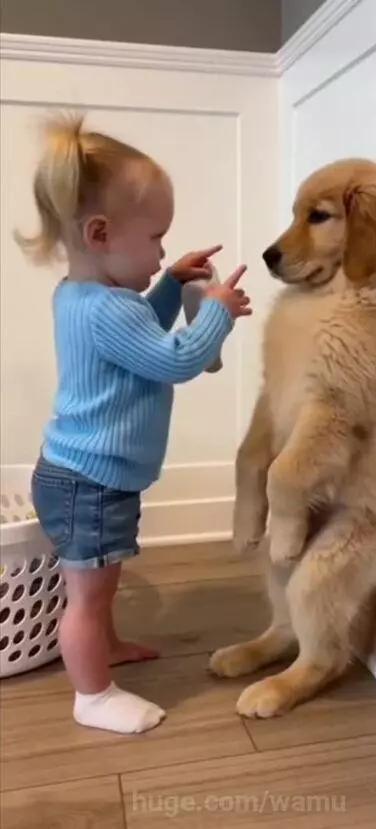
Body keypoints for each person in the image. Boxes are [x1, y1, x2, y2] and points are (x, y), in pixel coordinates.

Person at [17, 113, 251, 735]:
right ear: (100, 233)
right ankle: (92, 696)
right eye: (156, 240)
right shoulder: (107, 312)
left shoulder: (85, 296)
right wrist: (217, 315)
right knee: (88, 596)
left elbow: (139, 329)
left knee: (101, 585)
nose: (162, 253)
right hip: (88, 482)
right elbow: (173, 359)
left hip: (81, 475)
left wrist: (172, 288)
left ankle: (106, 645)